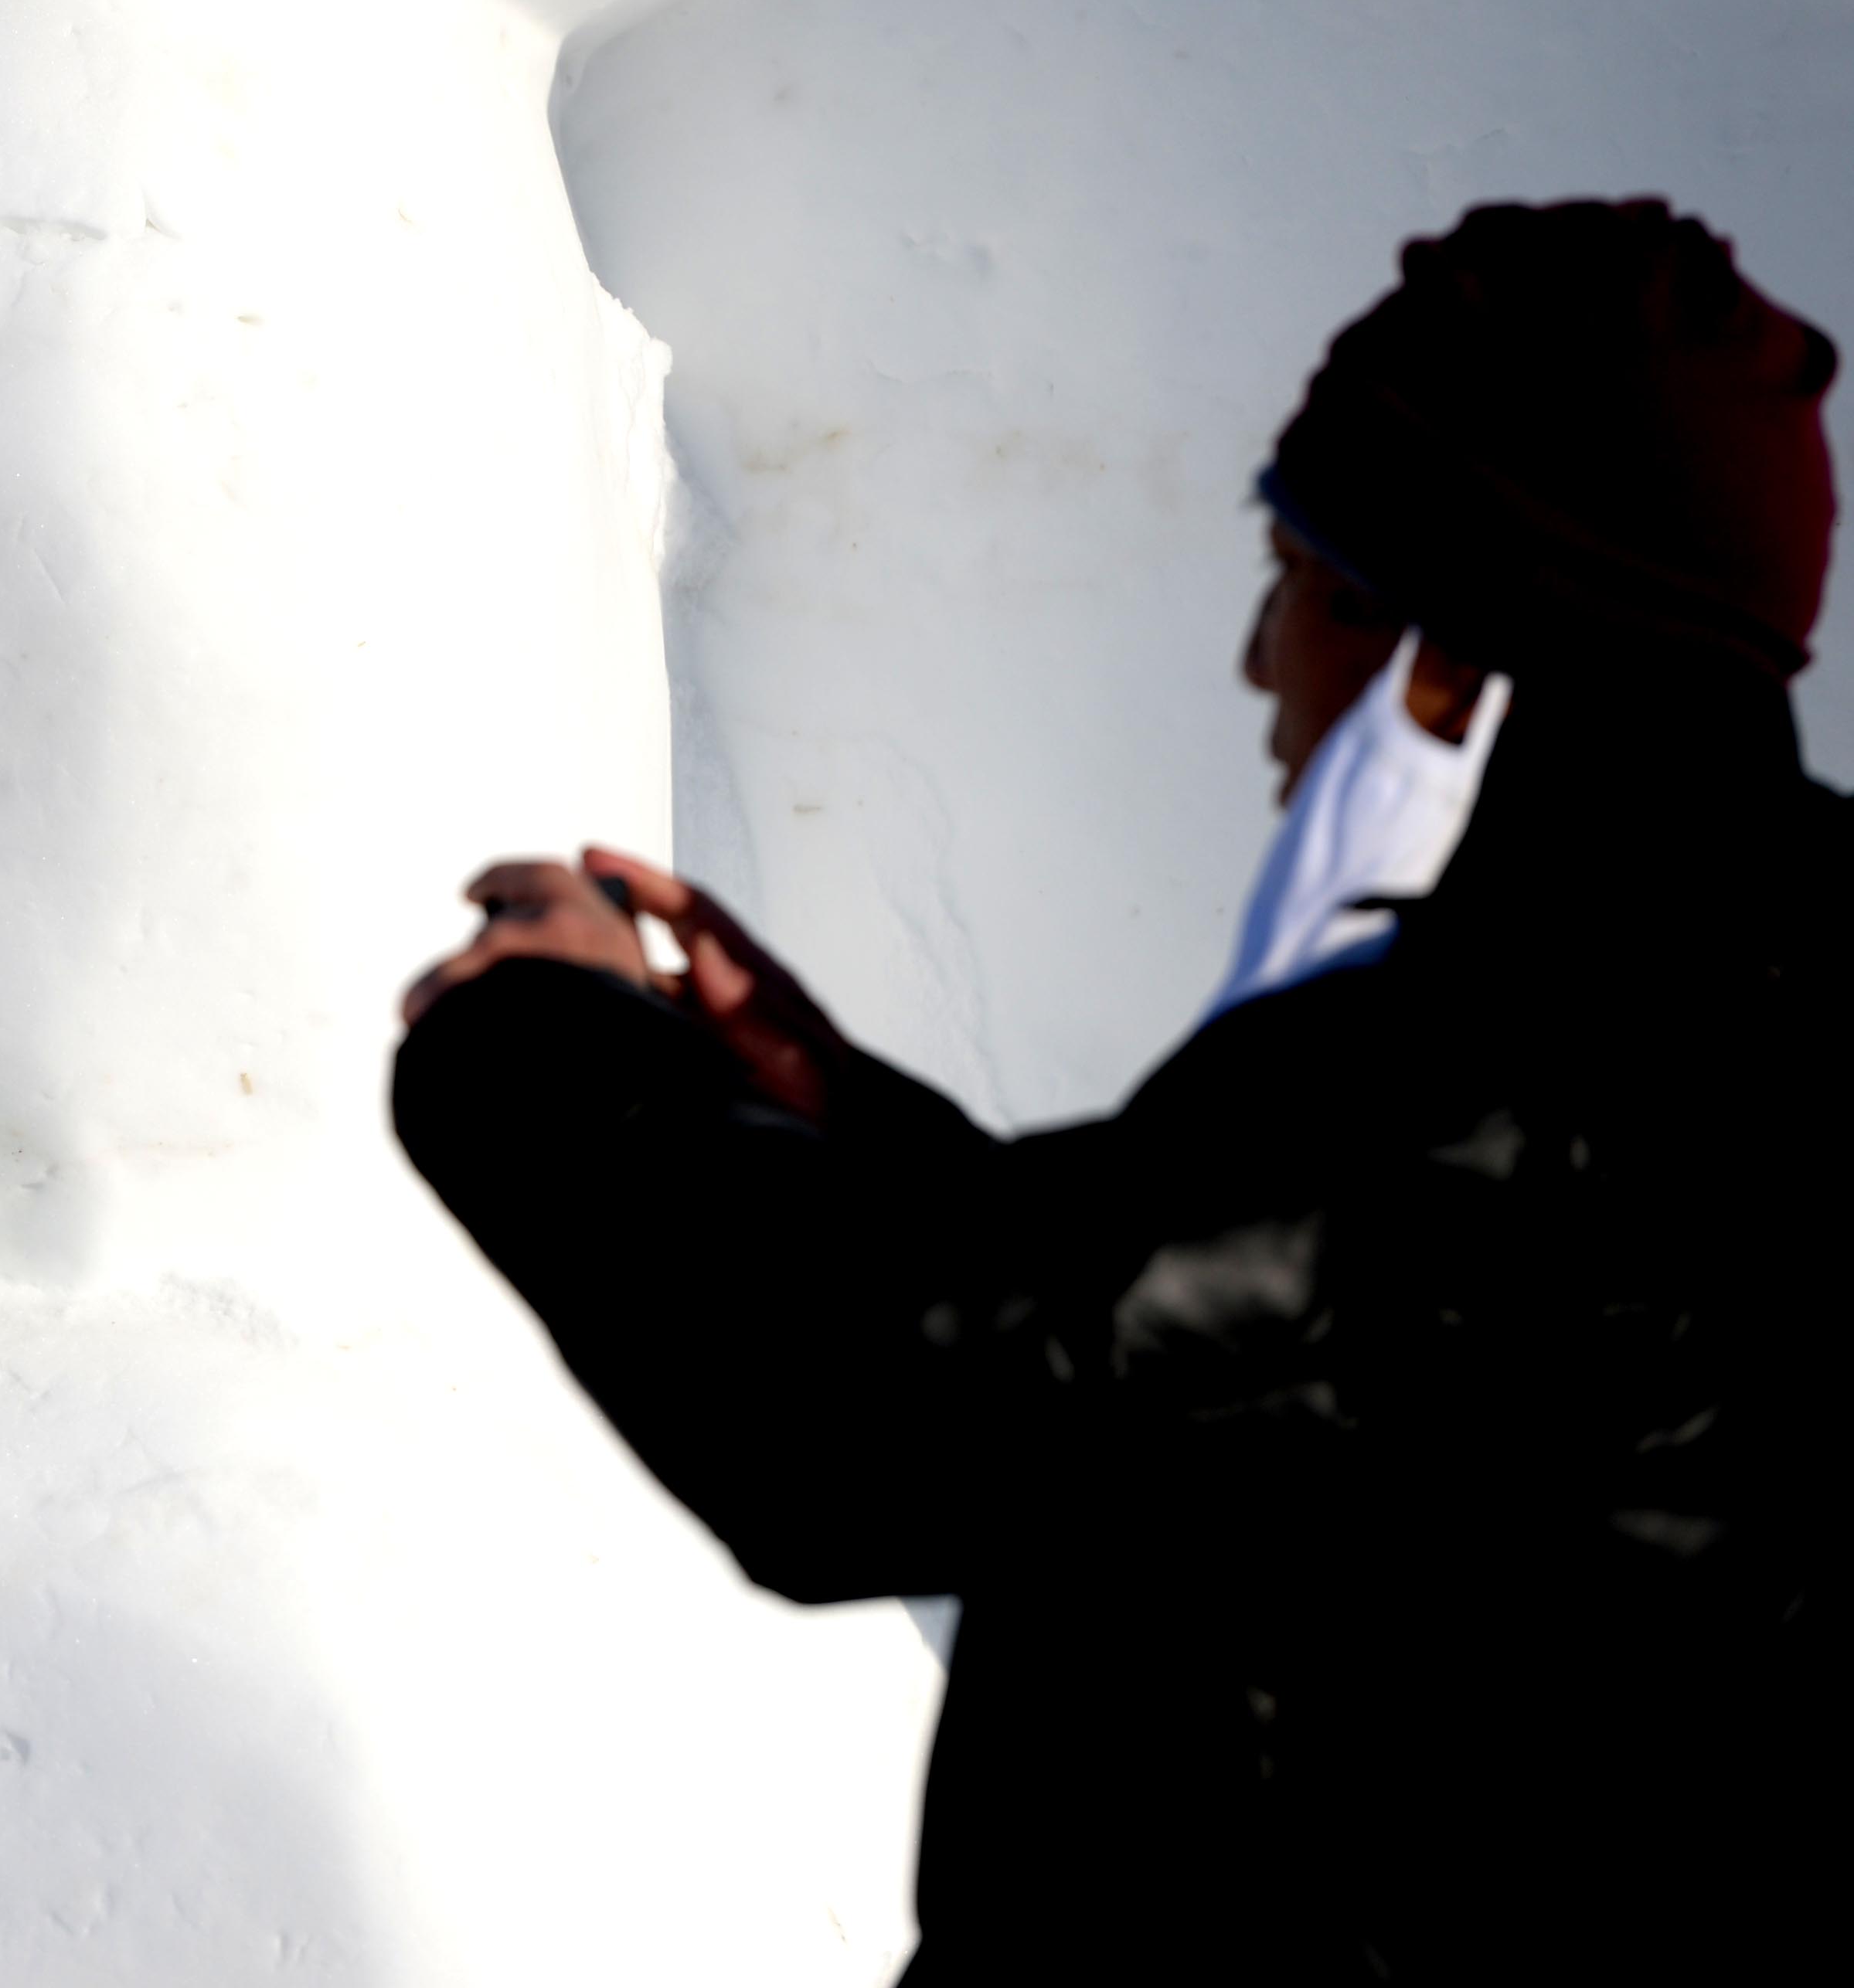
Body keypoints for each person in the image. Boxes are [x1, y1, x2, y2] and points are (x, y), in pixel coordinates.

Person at [392, 202, 1838, 1981]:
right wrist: (845, 1119)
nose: (1255, 663)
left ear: (1449, 662)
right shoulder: (1723, 990)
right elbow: (1191, 1362)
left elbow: (872, 1408)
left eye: (1300, 585)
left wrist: (543, 1040)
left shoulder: (1534, 1073)